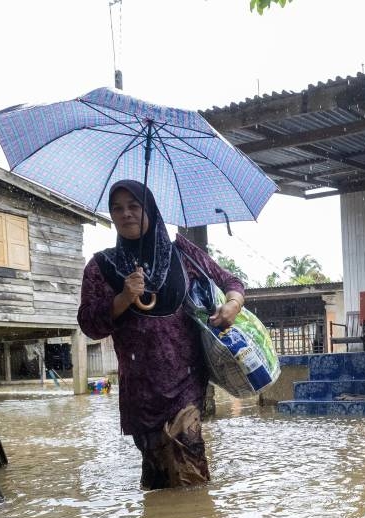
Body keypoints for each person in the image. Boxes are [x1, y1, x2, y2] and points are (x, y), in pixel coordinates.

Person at [77, 180, 245, 490]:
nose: (125, 213)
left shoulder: (182, 252)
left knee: (189, 462)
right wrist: (123, 298)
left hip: (186, 380)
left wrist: (233, 304)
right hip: (140, 389)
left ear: (150, 210)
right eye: (117, 208)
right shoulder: (100, 266)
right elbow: (89, 324)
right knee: (157, 477)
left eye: (134, 206)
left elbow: (230, 280)